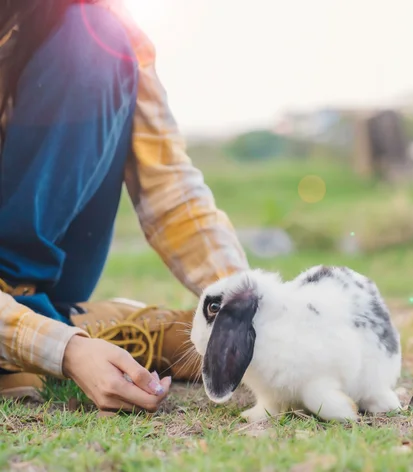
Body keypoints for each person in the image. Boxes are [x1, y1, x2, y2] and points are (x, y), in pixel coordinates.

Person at [0, 0, 249, 412]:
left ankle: (28, 322)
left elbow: (171, 190)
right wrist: (69, 352)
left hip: (43, 269)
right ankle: (73, 329)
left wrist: (243, 299)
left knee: (96, 37)